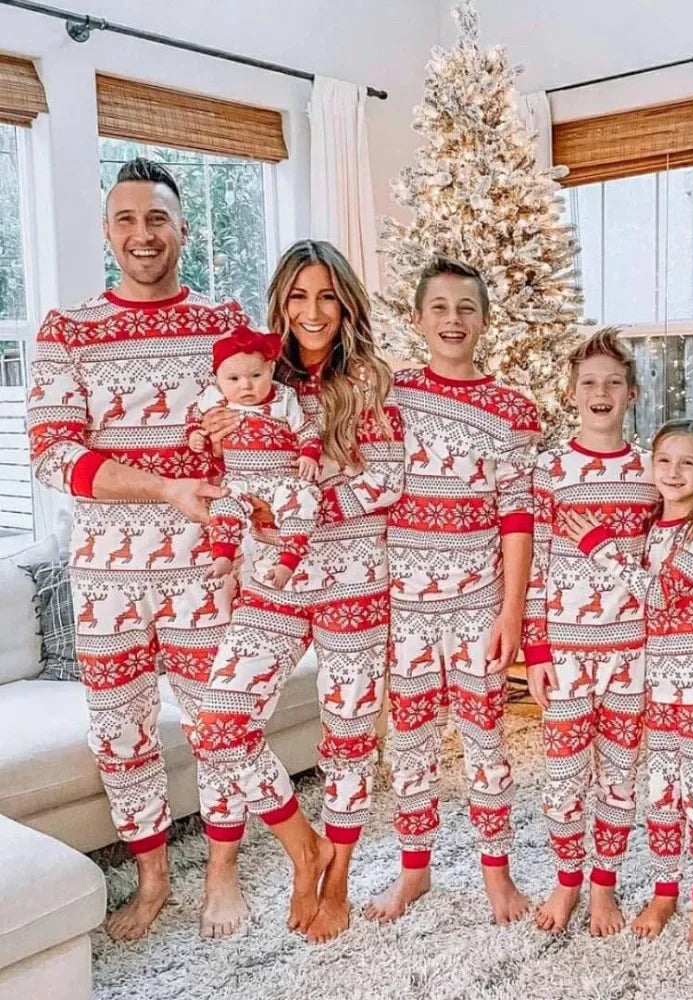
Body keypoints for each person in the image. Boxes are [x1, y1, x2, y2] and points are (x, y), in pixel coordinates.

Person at [27, 157, 250, 940]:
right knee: (118, 731)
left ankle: (222, 871)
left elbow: (251, 443)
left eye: (157, 218)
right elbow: (55, 455)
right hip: (105, 581)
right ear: (107, 232)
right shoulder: (68, 333)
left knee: (222, 723)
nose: (142, 234)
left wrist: (233, 521)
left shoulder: (226, 325)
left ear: (183, 228)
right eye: (126, 219)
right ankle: (153, 877)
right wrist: (164, 487)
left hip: (205, 571)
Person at [195, 239, 403, 941]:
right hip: (271, 585)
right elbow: (222, 466)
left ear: (346, 303)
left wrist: (309, 502)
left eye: (326, 296)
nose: (312, 312)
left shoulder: (372, 381)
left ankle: (337, 875)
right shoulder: (252, 378)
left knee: (348, 739)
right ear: (280, 303)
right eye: (298, 296)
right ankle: (303, 848)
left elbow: (388, 482)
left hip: (352, 584)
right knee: (221, 721)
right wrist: (217, 437)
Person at [366, 255, 539, 925]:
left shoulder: (511, 410)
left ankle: (497, 875)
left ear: (486, 319)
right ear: (417, 319)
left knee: (486, 741)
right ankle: (415, 872)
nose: (453, 320)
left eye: (466, 307)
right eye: (438, 307)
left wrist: (512, 611)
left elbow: (517, 517)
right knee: (409, 744)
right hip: (405, 609)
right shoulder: (390, 397)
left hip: (477, 607)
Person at [565, 418, 693, 945]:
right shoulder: (650, 525)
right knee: (662, 794)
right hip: (655, 680)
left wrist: (599, 545)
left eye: (688, 462)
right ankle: (666, 892)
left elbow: (660, 594)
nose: (673, 471)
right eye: (664, 460)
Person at [522, 328, 659, 936]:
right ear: (571, 393)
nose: (600, 392)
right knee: (562, 773)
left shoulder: (654, 470)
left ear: (631, 393)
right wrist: (537, 650)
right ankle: (567, 879)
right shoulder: (549, 470)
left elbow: (661, 567)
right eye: (588, 383)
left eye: (612, 382)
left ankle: (604, 885)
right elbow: (534, 566)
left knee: (619, 774)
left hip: (632, 651)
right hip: (567, 652)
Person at [189, 326, 322, 589]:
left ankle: (287, 561)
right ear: (217, 378)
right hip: (240, 479)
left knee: (302, 500)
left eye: (256, 375)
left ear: (271, 369)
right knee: (223, 504)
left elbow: (306, 429)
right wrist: (197, 435)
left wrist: (309, 454)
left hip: (282, 478)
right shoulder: (215, 399)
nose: (246, 385)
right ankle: (224, 554)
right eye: (234, 379)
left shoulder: (284, 398)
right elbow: (196, 422)